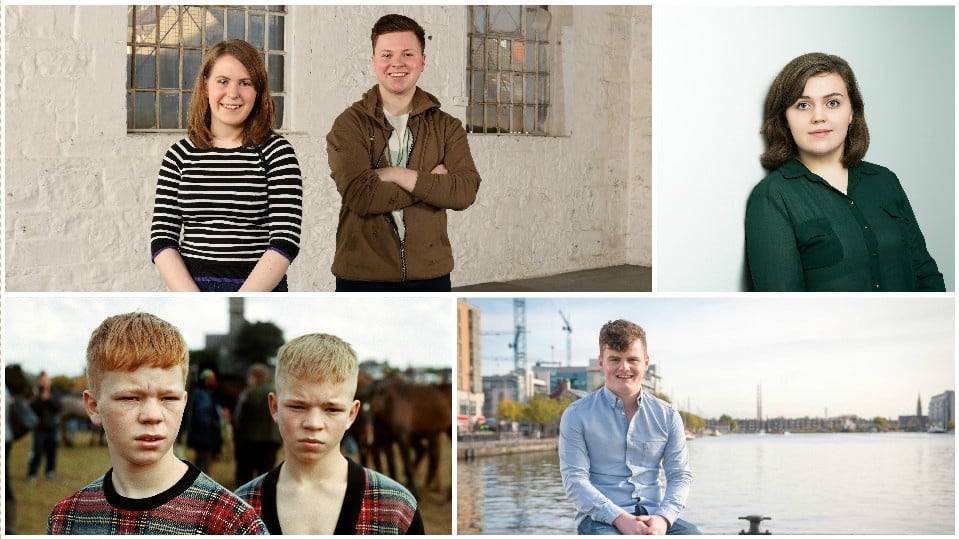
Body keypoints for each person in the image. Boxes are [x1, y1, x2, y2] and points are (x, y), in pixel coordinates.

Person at [47, 312, 267, 534]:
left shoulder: (232, 523)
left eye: (168, 398)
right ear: (94, 407)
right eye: (130, 398)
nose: (152, 415)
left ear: (183, 403)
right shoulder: (65, 519)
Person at [745, 52, 945, 292]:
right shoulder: (773, 197)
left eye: (832, 103)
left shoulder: (885, 180)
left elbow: (925, 273)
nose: (818, 117)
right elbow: (783, 307)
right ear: (785, 119)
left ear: (852, 113)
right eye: (803, 105)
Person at [326, 14, 482, 292]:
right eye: (387, 54)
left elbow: (465, 191)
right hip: (362, 275)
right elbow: (360, 196)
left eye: (407, 54)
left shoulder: (447, 126)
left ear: (422, 60)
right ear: (374, 61)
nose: (397, 63)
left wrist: (395, 174)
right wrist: (429, 184)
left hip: (431, 274)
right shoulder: (349, 124)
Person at [150, 39, 303, 292]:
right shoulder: (179, 154)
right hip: (190, 291)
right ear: (205, 85)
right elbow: (162, 239)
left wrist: (238, 303)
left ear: (258, 91)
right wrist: (195, 301)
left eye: (245, 83)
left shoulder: (277, 153)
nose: (233, 94)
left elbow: (285, 241)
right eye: (223, 81)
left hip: (258, 291)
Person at [235, 333, 425, 534]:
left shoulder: (397, 509)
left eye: (332, 409)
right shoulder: (237, 511)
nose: (314, 424)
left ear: (352, 414)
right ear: (274, 407)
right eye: (298, 406)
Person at [559, 320, 700, 535]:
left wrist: (663, 519)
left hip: (655, 516)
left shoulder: (668, 416)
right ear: (601, 363)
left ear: (645, 363)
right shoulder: (576, 415)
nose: (624, 367)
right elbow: (574, 480)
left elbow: (680, 475)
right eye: (614, 359)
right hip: (600, 519)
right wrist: (620, 518)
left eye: (632, 359)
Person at [233, 363, 283, 486]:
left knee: (245, 477)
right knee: (266, 476)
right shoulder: (277, 394)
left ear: (254, 377)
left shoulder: (247, 393)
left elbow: (237, 417)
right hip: (271, 441)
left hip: (249, 441)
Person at [184, 369, 223, 475]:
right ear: (206, 380)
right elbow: (203, 416)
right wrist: (214, 424)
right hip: (204, 437)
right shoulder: (203, 395)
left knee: (201, 464)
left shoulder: (200, 392)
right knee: (204, 467)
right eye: (212, 379)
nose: (214, 382)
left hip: (201, 436)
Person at [28, 371, 62, 482]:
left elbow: (58, 407)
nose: (44, 382)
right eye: (42, 380)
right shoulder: (36, 393)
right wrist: (40, 399)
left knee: (51, 451)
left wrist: (49, 399)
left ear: (49, 380)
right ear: (40, 381)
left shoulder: (55, 392)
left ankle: (50, 472)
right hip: (39, 428)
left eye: (46, 380)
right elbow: (32, 408)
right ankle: (32, 473)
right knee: (37, 451)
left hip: (52, 428)